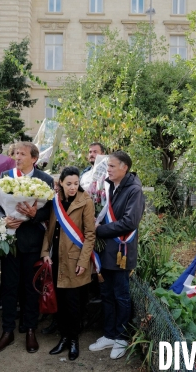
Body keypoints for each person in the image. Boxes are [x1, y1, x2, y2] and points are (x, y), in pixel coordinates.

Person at [0, 142, 54, 354]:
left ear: (34, 158)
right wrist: (4, 219)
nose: (17, 157)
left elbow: (51, 211)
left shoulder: (45, 179)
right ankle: (7, 330)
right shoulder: (5, 176)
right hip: (9, 241)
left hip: (32, 241)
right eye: (15, 153)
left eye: (22, 154)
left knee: (31, 287)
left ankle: (30, 329)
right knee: (8, 286)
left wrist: (36, 216)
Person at [89, 151, 145, 360]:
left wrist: (98, 231)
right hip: (105, 250)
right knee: (106, 294)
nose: (108, 170)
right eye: (107, 166)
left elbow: (129, 222)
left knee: (121, 295)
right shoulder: (109, 186)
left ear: (125, 167)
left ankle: (122, 336)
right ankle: (109, 334)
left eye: (112, 166)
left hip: (122, 250)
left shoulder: (134, 191)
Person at [41, 166, 95, 361]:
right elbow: (50, 229)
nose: (73, 187)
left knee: (73, 304)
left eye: (76, 183)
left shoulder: (85, 201)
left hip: (74, 261)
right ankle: (64, 337)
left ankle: (74, 340)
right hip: (57, 259)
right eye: (69, 183)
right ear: (61, 183)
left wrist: (83, 261)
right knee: (61, 302)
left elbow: (90, 235)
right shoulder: (56, 200)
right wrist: (45, 251)